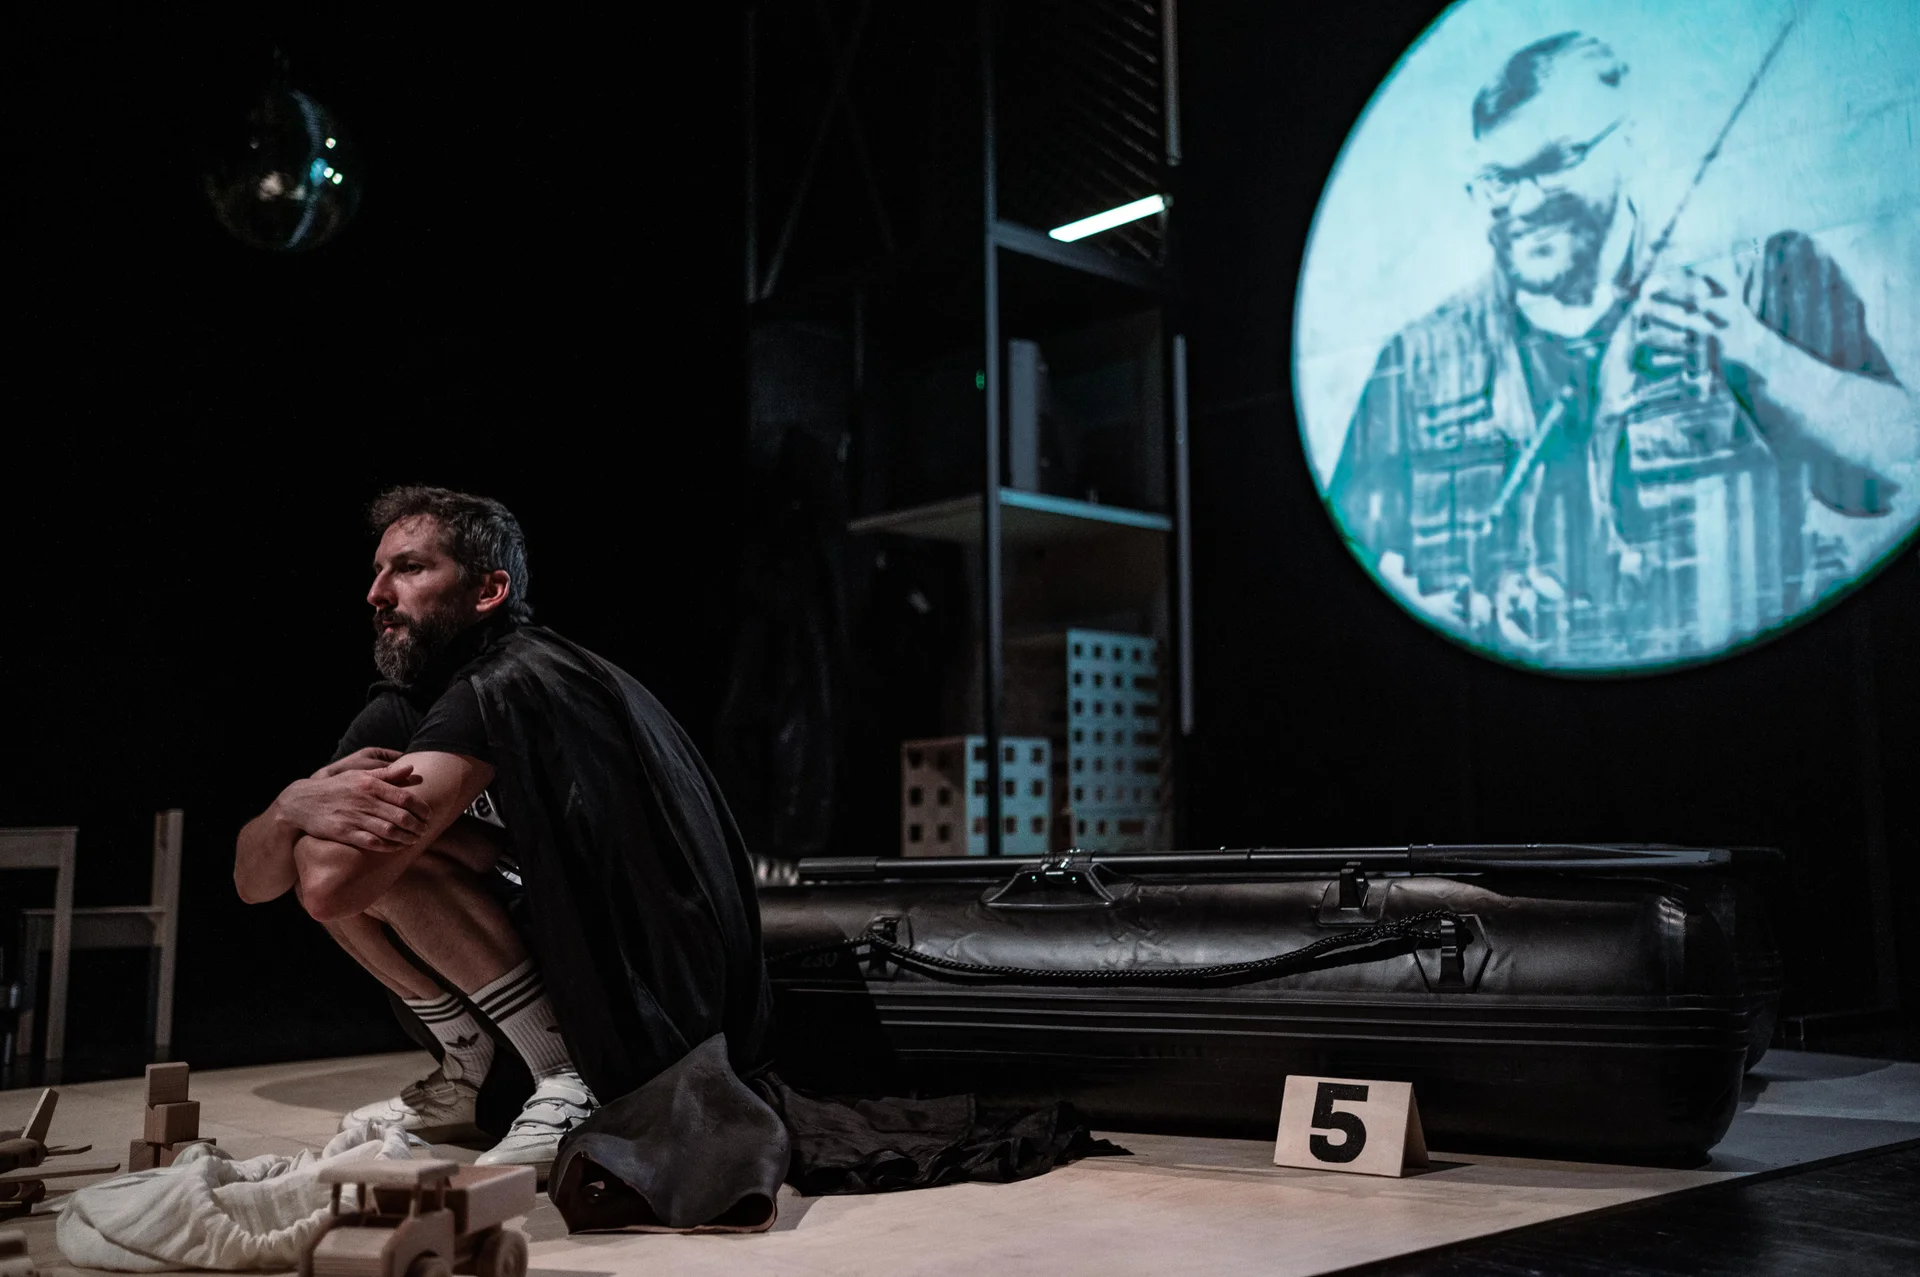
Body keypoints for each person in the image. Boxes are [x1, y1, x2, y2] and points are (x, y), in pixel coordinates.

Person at [1327, 31, 1918, 664]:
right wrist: (1419, 614)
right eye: (1499, 180)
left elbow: (1891, 479)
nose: (1522, 205)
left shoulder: (1762, 276)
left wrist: (1750, 355)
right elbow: (1341, 559)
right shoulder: (1417, 361)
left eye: (1555, 163)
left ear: (1630, 142)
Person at [234, 486, 771, 1174]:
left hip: (649, 987)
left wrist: (440, 846)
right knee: (349, 851)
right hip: (562, 960)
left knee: (383, 866)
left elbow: (334, 881)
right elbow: (258, 883)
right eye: (378, 571)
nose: (377, 593)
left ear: (489, 591)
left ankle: (570, 1076)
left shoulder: (518, 680)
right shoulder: (407, 705)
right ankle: (473, 1069)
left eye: (410, 568)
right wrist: (289, 807)